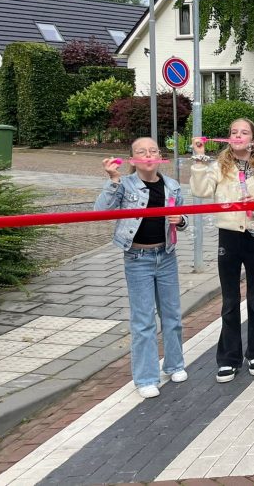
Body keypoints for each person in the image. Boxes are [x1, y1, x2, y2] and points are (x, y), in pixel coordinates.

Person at [94, 137, 188, 399]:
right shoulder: (124, 185)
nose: (148, 155)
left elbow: (183, 219)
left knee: (172, 314)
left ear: (160, 155)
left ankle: (174, 364)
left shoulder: (172, 185)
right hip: (137, 258)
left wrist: (180, 220)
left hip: (166, 254)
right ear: (133, 158)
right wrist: (113, 179)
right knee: (144, 319)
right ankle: (146, 377)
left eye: (152, 150)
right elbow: (101, 210)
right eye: (140, 151)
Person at [190, 118, 254, 383]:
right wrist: (199, 158)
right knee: (229, 300)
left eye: (244, 132)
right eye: (233, 131)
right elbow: (201, 190)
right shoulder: (219, 166)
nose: (238, 135)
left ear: (253, 138)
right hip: (228, 236)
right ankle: (228, 358)